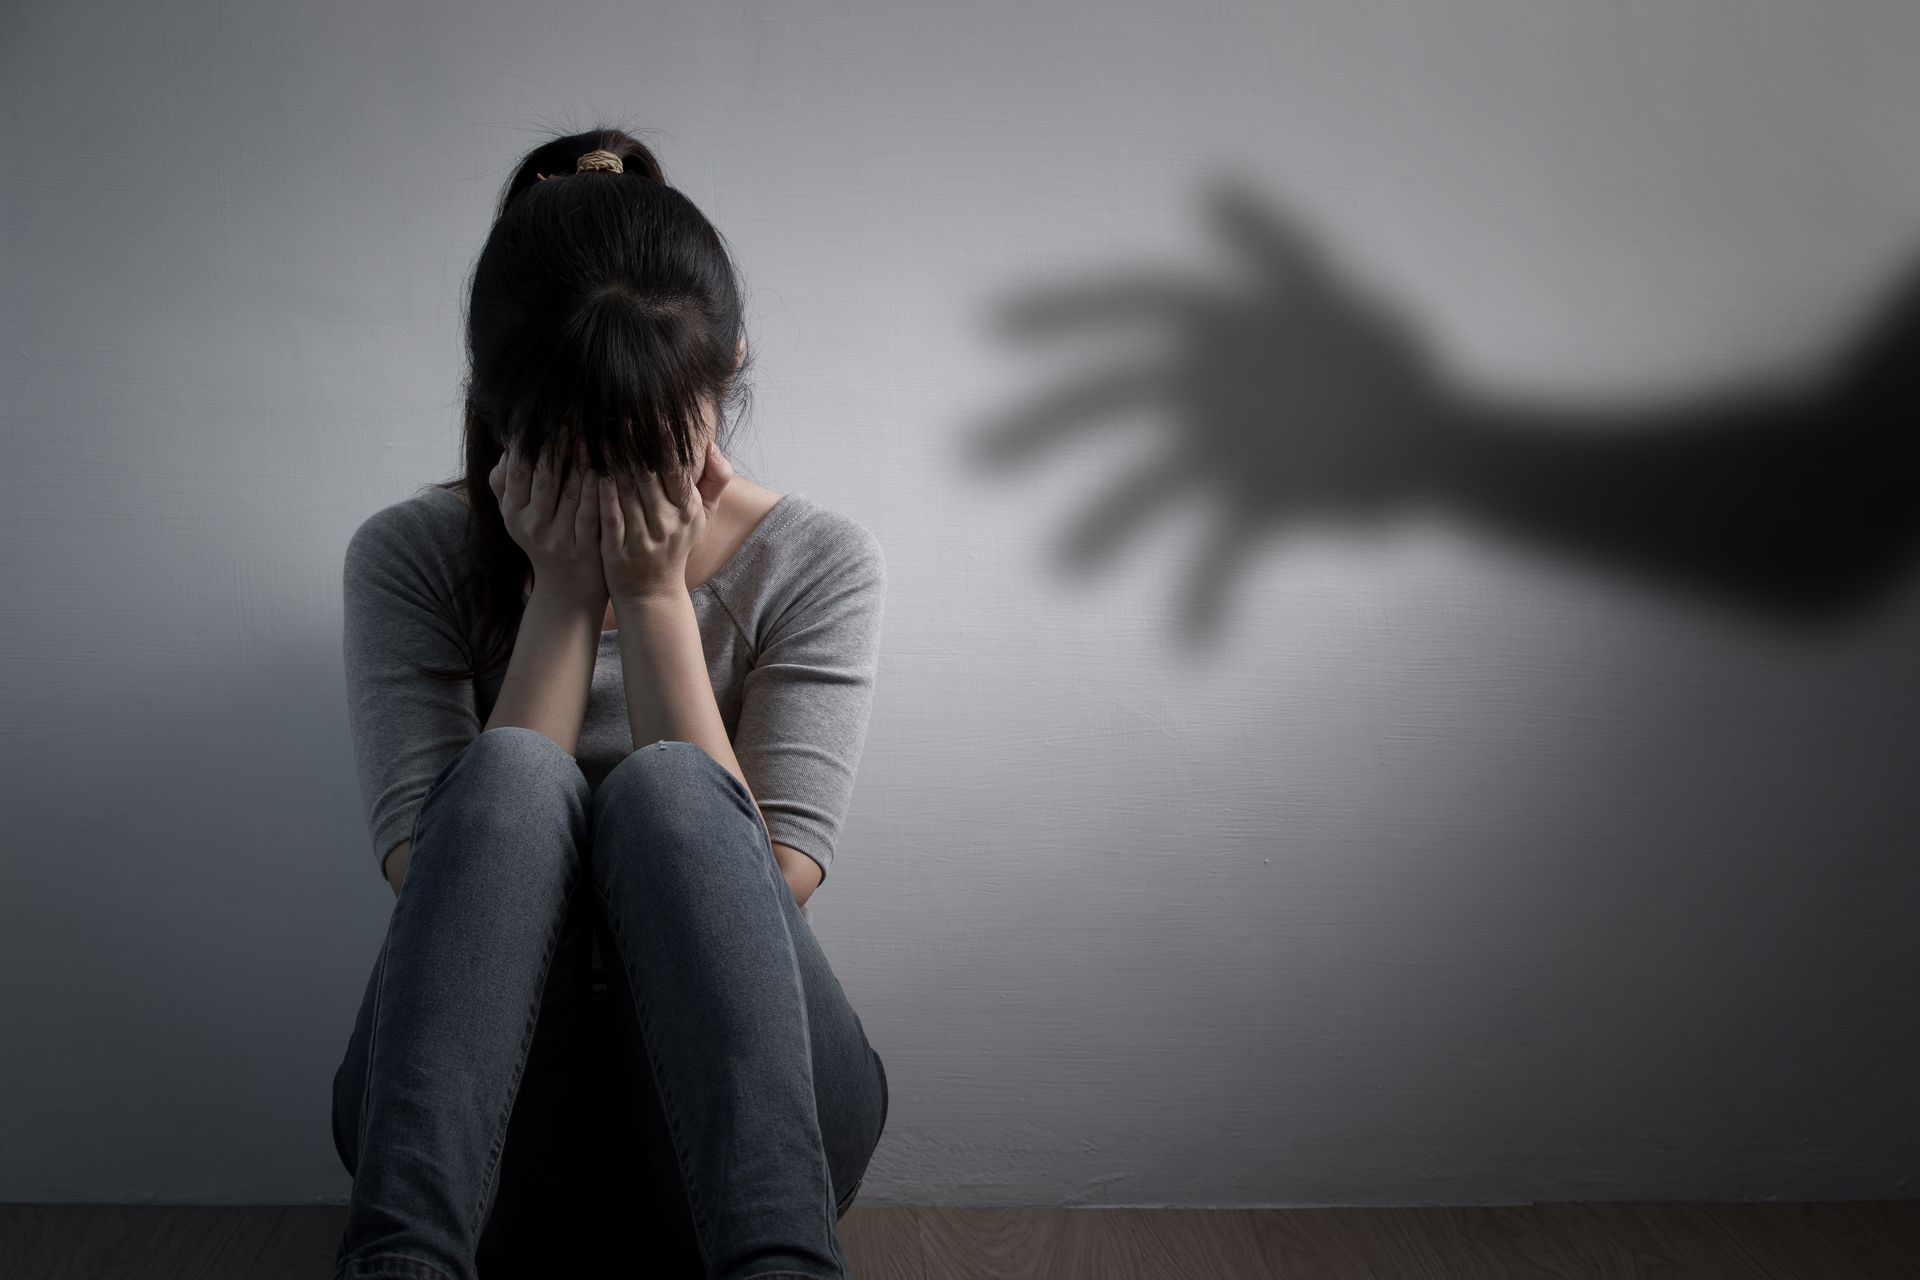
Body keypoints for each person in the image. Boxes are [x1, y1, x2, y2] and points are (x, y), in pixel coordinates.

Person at [329, 128, 889, 1280]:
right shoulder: (407, 554)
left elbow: (776, 878)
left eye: (653, 432)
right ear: (497, 400)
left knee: (674, 788)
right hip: (478, 1135)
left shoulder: (817, 559)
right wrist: (565, 593)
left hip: (747, 1124)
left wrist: (653, 595)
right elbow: (429, 875)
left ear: (727, 364)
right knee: (510, 776)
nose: (617, 467)